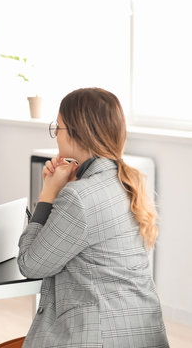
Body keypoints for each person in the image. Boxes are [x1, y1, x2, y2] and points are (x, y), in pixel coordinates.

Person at [18, 88, 169, 347]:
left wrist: (47, 194)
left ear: (79, 133)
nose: (56, 136)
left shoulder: (79, 196)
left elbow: (31, 265)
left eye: (59, 128)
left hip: (95, 335)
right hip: (142, 331)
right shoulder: (128, 181)